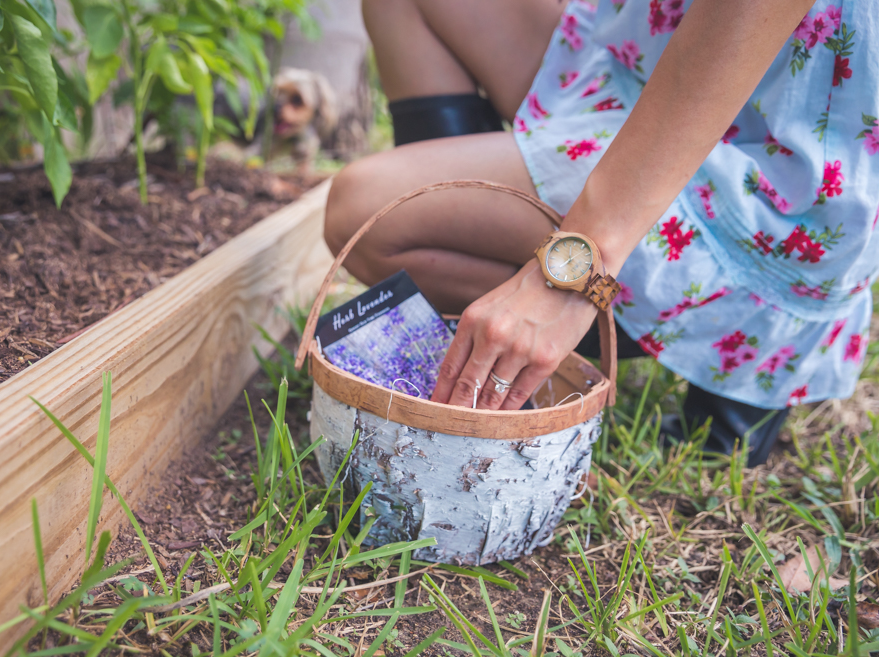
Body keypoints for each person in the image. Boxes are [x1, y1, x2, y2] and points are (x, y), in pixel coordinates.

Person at [323, 0, 878, 466]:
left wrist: (578, 265)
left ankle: (549, 337)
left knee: (365, 211)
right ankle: (483, 334)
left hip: (759, 153)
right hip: (638, 62)